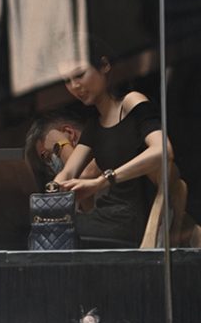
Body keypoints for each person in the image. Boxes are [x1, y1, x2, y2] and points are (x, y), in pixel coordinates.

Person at [51, 40, 178, 245]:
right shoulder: (95, 125)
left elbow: (163, 151)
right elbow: (68, 173)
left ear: (104, 65)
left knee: (55, 234)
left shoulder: (131, 102)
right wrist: (50, 193)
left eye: (79, 74)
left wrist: (101, 181)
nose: (74, 86)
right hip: (106, 219)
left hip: (129, 222)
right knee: (46, 230)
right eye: (67, 80)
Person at [24, 109, 101, 191]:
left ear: (69, 133)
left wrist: (60, 143)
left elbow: (82, 175)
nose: (51, 165)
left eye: (48, 156)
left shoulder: (109, 145)